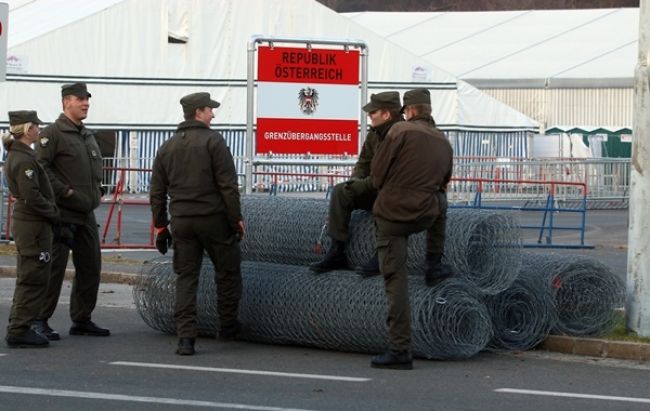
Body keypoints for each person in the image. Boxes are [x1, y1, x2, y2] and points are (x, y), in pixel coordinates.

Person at [150, 92, 244, 356]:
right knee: (227, 272)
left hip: (182, 222)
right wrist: (236, 219)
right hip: (213, 219)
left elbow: (156, 191)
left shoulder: (167, 147)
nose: (213, 114)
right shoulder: (214, 141)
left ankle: (185, 338)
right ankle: (227, 326)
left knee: (186, 278)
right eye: (209, 110)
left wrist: (160, 226)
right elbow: (228, 186)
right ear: (198, 113)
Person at [369, 88, 453, 369]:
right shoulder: (444, 142)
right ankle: (434, 261)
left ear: (412, 111)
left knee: (396, 281)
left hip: (392, 217)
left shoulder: (399, 131)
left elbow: (377, 174)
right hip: (426, 214)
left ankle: (400, 349)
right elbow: (443, 183)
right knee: (441, 200)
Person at [34, 82, 109, 339]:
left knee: (91, 266)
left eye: (87, 99)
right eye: (80, 99)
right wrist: (64, 191)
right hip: (62, 212)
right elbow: (42, 168)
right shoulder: (52, 134)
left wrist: (97, 190)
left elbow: (93, 168)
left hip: (86, 212)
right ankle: (39, 320)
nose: (86, 103)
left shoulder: (86, 134)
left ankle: (82, 319)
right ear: (66, 102)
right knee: (54, 269)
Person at [309, 92, 403, 276]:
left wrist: (363, 185)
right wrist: (355, 184)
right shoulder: (375, 134)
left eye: (373, 112)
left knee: (385, 196)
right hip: (374, 185)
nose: (369, 116)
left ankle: (383, 255)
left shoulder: (402, 134)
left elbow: (392, 175)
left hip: (395, 190)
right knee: (341, 191)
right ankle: (337, 250)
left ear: (386, 114)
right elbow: (363, 163)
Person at [3, 111, 60, 348]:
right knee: (32, 276)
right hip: (32, 224)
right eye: (36, 126)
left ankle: (19, 323)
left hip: (32, 223)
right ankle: (19, 329)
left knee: (31, 274)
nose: (40, 129)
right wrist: (54, 212)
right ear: (27, 130)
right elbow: (32, 196)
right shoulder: (24, 159)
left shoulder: (22, 155)